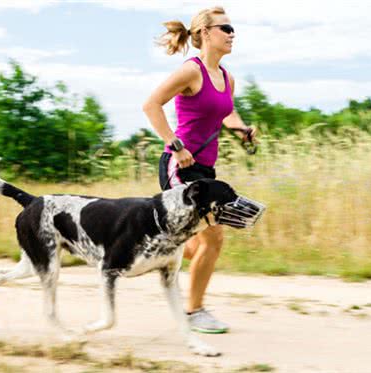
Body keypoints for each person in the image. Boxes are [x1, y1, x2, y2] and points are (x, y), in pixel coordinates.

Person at [143, 6, 257, 334]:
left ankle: (160, 253)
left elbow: (226, 113)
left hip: (206, 169)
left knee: (196, 240)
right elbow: (151, 104)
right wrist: (175, 145)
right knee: (214, 237)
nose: (232, 33)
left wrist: (241, 129)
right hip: (181, 167)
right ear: (206, 33)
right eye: (226, 28)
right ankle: (194, 312)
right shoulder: (191, 71)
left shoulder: (226, 77)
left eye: (233, 28)